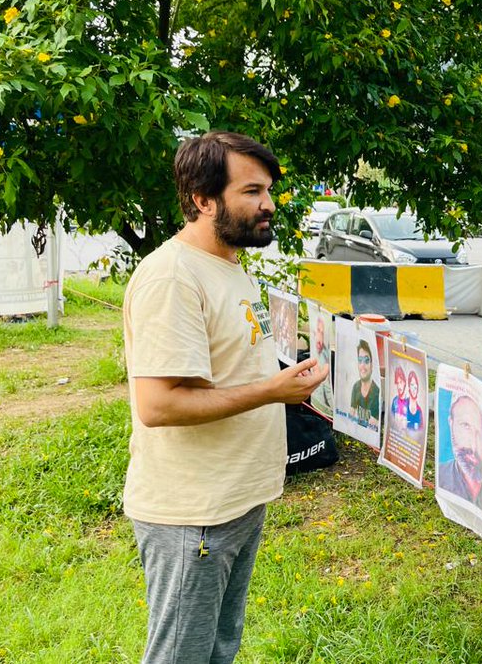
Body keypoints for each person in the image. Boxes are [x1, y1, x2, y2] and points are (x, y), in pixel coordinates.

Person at [123, 131, 329, 663]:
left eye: (268, 191)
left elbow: (232, 365)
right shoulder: (172, 277)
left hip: (237, 500)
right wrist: (272, 390)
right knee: (182, 656)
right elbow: (159, 404)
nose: (269, 204)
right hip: (194, 513)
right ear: (202, 199)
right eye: (252, 191)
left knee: (218, 650)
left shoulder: (230, 264)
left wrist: (291, 376)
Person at [437, 393, 482, 514]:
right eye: (465, 426)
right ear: (451, 423)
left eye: (479, 431)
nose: (473, 445)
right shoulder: (441, 477)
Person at [349, 340, 380, 426]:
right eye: (360, 360)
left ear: (372, 365)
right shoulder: (355, 387)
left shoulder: (376, 392)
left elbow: (373, 425)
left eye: (366, 361)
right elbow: (351, 414)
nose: (362, 365)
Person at [309, 313, 332, 414]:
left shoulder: (325, 356)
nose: (320, 338)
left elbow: (327, 391)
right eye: (318, 331)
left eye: (322, 333)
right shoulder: (314, 352)